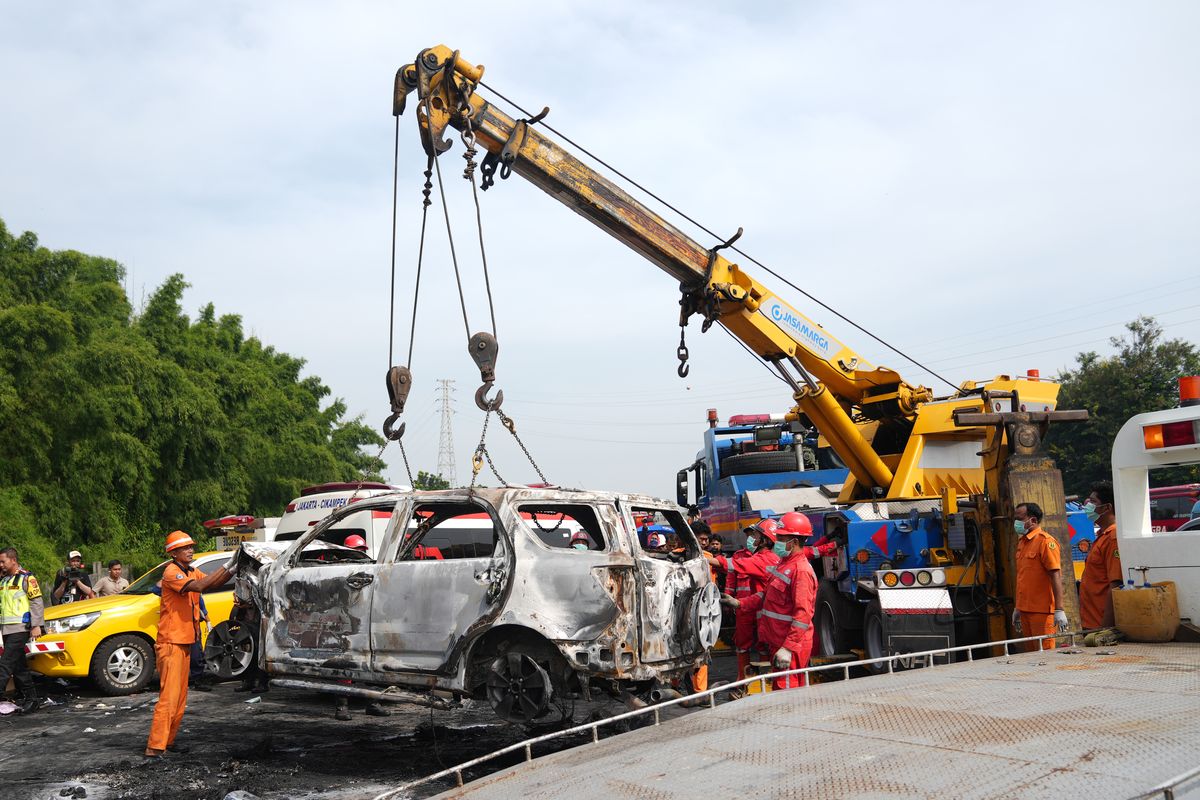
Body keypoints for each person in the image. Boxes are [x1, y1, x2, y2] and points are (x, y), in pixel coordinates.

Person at [144, 530, 236, 758]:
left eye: (191, 546)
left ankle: (168, 741)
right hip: (171, 642)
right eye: (185, 547)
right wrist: (229, 566)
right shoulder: (172, 572)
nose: (190, 549)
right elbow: (200, 586)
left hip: (185, 641)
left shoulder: (192, 571)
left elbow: (212, 581)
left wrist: (234, 566)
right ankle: (155, 747)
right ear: (173, 552)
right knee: (169, 697)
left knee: (180, 697)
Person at [705, 519, 781, 681]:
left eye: (755, 535)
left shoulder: (762, 559)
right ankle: (757, 680)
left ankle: (755, 681)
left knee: (765, 648)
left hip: (762, 610)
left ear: (765, 540)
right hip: (755, 606)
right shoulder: (774, 558)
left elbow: (731, 565)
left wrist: (704, 559)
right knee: (757, 646)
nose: (752, 538)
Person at [755, 516, 818, 689]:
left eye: (781, 538)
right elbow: (768, 596)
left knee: (788, 694)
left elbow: (803, 614)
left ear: (794, 541)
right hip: (778, 641)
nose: (777, 542)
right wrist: (740, 604)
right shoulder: (784, 563)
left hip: (790, 645)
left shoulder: (801, 571)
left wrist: (788, 648)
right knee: (782, 689)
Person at [1011, 502, 1069, 651]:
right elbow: (1023, 577)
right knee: (1031, 655)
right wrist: (1018, 607)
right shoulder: (1022, 543)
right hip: (1025, 610)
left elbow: (1055, 575)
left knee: (1045, 656)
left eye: (1020, 518)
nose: (1016, 522)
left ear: (1033, 520)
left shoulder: (1045, 542)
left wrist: (1059, 609)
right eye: (1015, 518)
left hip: (1042, 612)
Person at [0, 546, 45, 713]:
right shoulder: (4, 580)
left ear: (13, 560)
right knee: (19, 667)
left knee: (5, 664)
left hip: (20, 628)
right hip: (6, 629)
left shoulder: (26, 578)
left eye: (3, 561)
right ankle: (32, 700)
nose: (1, 565)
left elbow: (36, 602)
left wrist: (36, 625)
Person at [1079, 481, 1123, 629]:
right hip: (1091, 620)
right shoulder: (1102, 536)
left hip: (1100, 623)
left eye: (1093, 501)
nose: (1088, 505)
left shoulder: (1113, 538)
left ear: (1107, 507)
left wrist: (1105, 629)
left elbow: (1115, 585)